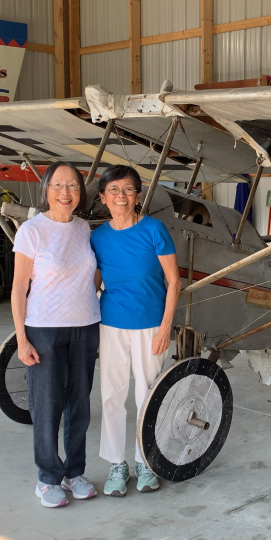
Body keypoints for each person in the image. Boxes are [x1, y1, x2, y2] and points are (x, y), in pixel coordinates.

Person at [11, 161, 101, 508]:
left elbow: (92, 274)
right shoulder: (31, 231)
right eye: (58, 186)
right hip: (44, 329)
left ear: (81, 192)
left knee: (79, 405)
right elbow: (19, 288)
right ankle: (48, 477)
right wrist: (21, 338)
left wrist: (85, 298)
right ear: (46, 190)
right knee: (47, 406)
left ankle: (73, 472)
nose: (66, 192)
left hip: (85, 326)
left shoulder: (84, 229)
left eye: (73, 186)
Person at [90, 165, 180, 496]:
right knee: (112, 394)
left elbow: (174, 280)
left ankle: (146, 461)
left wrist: (166, 326)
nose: (121, 196)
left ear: (137, 195)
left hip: (151, 324)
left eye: (128, 190)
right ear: (102, 197)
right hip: (111, 324)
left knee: (147, 394)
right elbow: (94, 283)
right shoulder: (97, 237)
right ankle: (117, 463)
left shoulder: (154, 230)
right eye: (113, 190)